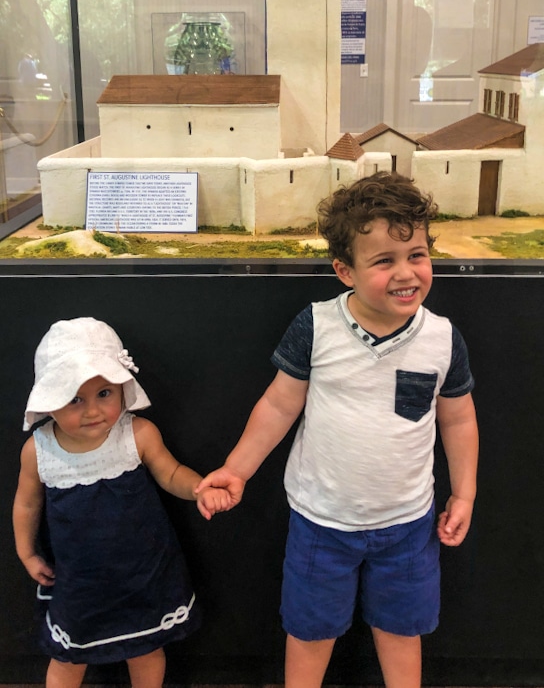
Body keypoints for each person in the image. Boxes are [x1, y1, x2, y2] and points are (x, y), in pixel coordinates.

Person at [196, 171, 479, 688]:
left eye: (416, 254)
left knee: (402, 630)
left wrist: (465, 493)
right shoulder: (316, 326)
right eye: (383, 260)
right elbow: (279, 406)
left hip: (409, 525)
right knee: (309, 632)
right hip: (320, 522)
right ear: (344, 270)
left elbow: (458, 417)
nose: (406, 273)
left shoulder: (442, 338)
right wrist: (236, 470)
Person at [13, 317, 227, 688]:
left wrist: (199, 489)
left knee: (145, 648)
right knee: (68, 656)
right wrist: (27, 552)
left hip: (143, 574)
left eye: (104, 394)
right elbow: (27, 505)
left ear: (122, 389)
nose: (93, 411)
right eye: (74, 398)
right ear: (49, 400)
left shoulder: (138, 434)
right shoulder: (39, 450)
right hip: (79, 582)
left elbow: (171, 473)